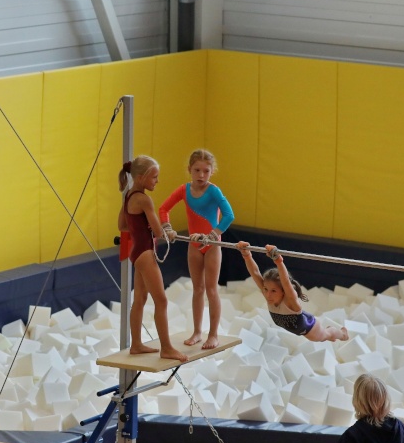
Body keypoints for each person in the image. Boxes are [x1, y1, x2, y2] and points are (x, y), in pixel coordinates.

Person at [158, 149, 234, 350]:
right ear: (189, 170)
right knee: (197, 289)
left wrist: (213, 235)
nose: (201, 175)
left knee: (211, 289)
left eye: (206, 171)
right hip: (194, 246)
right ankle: (197, 332)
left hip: (212, 245)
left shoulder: (213, 191)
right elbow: (163, 209)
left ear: (212, 171)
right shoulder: (184, 190)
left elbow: (229, 215)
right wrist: (167, 228)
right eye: (197, 170)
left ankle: (213, 334)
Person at [118, 156, 187, 363]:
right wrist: (169, 232)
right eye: (155, 177)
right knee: (161, 300)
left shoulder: (129, 195)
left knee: (140, 299)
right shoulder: (144, 199)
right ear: (141, 177)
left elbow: (122, 225)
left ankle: (136, 344)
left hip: (137, 252)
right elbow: (159, 232)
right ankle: (166, 348)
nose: (157, 181)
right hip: (145, 253)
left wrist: (141, 228)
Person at [237, 241, 348, 341]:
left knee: (326, 335)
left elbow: (286, 282)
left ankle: (342, 334)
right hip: (299, 322)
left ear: (283, 291)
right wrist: (247, 255)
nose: (268, 294)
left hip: (310, 328)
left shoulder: (290, 300)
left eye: (273, 291)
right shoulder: (268, 294)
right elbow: (255, 273)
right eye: (266, 289)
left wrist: (278, 261)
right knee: (325, 335)